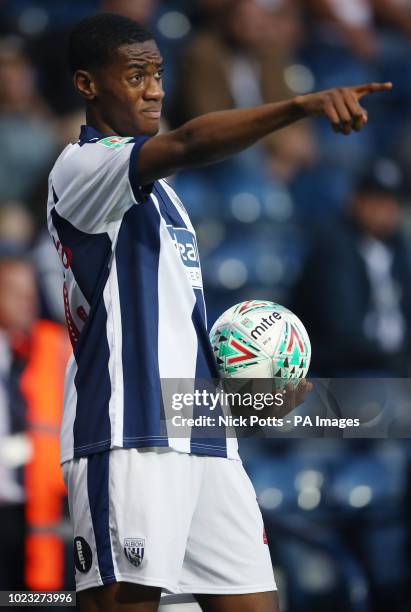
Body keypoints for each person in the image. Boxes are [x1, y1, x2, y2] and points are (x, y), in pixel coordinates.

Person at [47, 12, 391, 612]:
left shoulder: (168, 199)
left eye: (157, 73)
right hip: (130, 432)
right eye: (135, 75)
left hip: (203, 435)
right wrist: (298, 106)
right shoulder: (82, 168)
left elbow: (177, 336)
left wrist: (249, 397)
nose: (154, 88)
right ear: (87, 84)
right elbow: (187, 142)